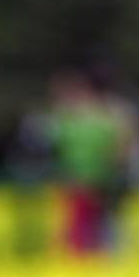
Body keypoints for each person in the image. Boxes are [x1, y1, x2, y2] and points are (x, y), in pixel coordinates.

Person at [47, 69, 129, 254]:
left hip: (86, 183)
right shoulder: (108, 120)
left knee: (81, 227)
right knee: (94, 227)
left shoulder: (71, 123)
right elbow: (120, 151)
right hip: (96, 182)